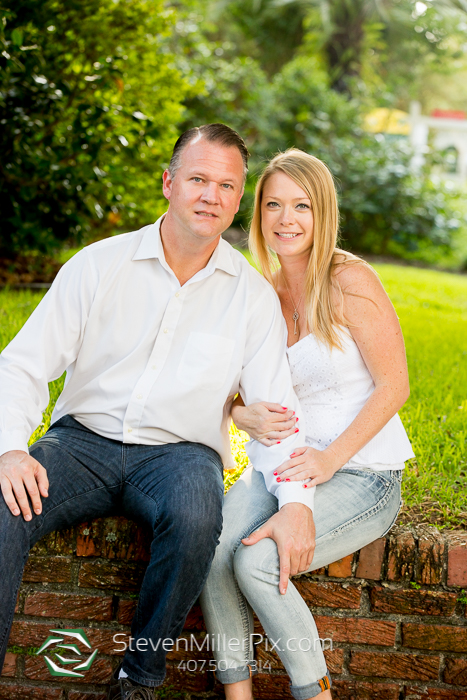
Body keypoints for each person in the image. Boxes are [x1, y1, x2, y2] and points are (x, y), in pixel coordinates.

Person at [0, 126, 315, 700]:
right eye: (198, 179)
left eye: (226, 185)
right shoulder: (99, 266)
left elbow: (277, 414)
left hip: (181, 455)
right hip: (81, 445)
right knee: (4, 505)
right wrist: (9, 448)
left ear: (238, 198)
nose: (210, 196)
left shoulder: (251, 298)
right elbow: (22, 365)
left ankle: (138, 679)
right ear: (169, 183)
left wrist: (296, 505)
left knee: (198, 516)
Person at [200, 149, 415, 700]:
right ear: (259, 214)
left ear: (323, 214)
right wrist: (236, 410)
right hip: (281, 466)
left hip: (361, 472)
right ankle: (237, 693)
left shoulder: (349, 279)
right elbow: (231, 388)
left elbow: (395, 386)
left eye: (302, 205)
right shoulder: (262, 295)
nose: (286, 219)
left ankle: (314, 691)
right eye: (273, 205)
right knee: (209, 547)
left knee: (257, 563)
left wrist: (329, 459)